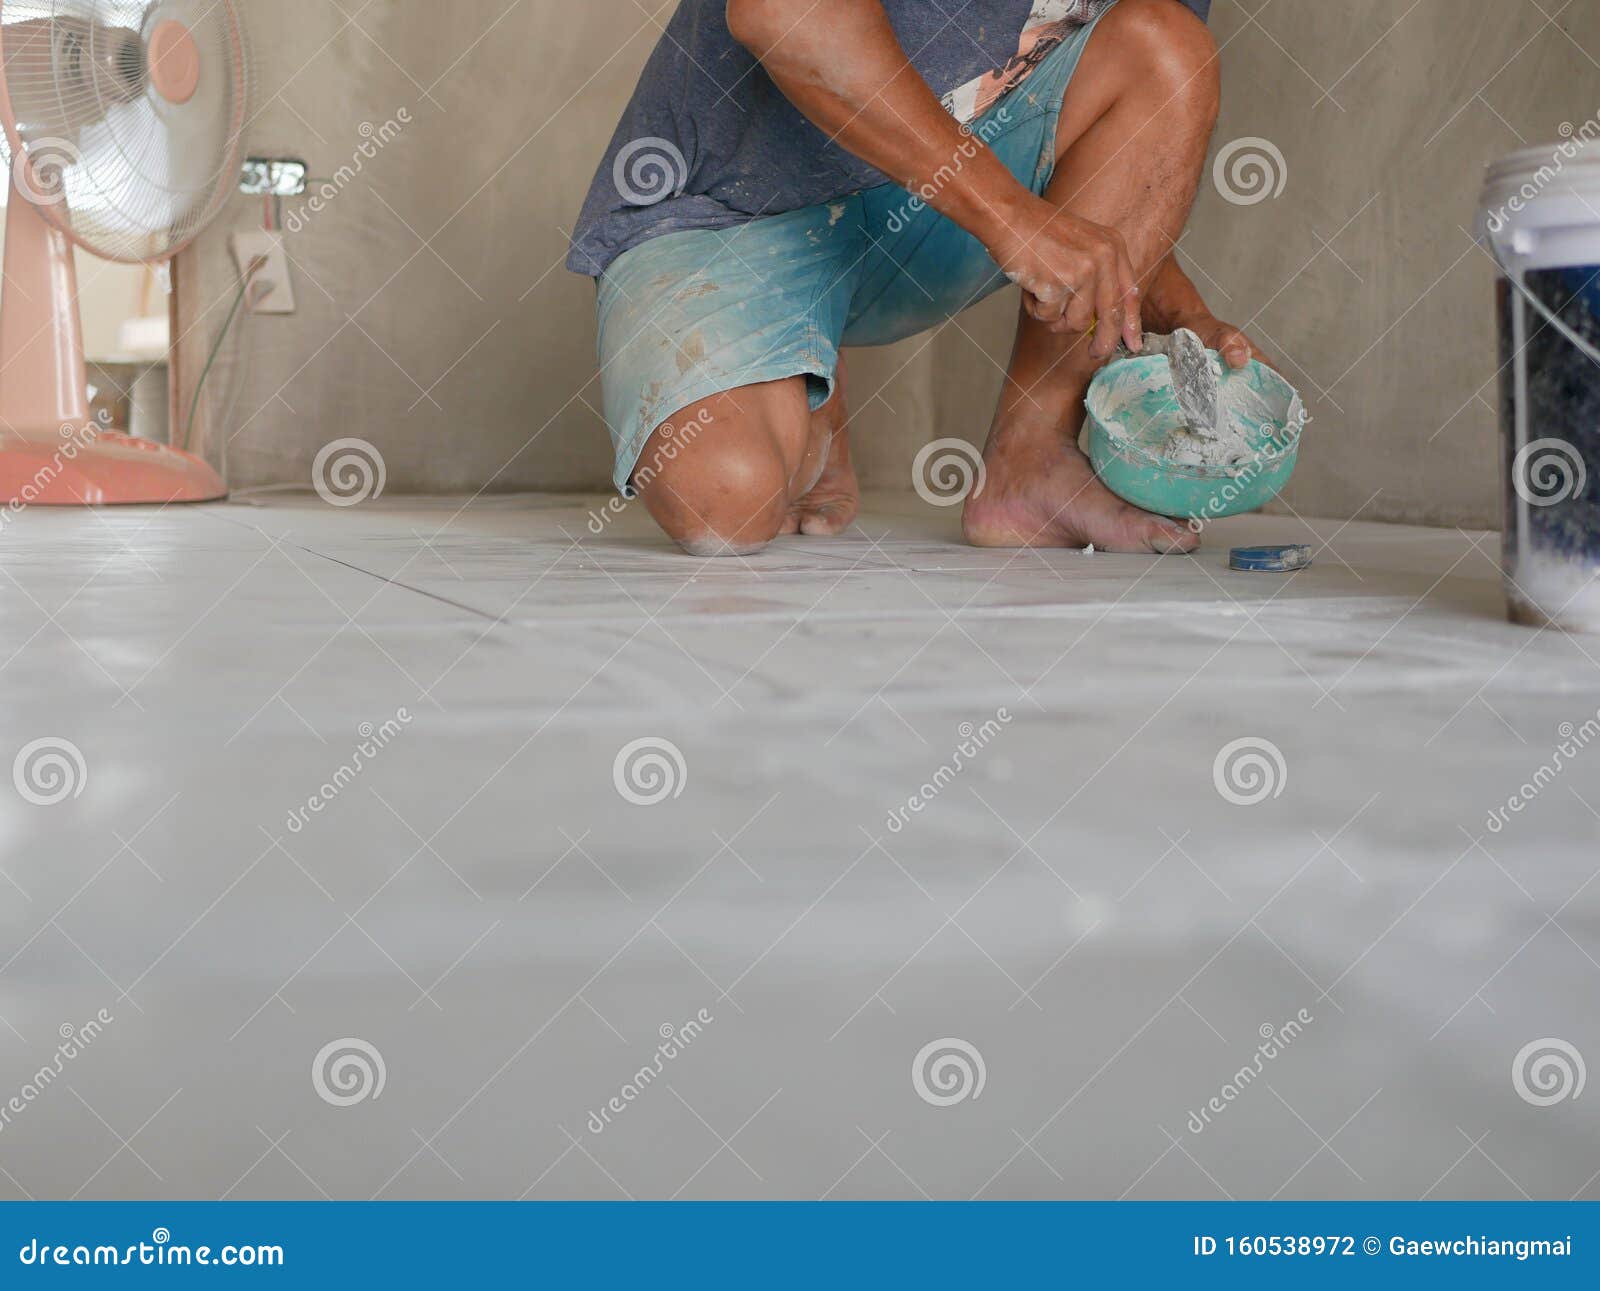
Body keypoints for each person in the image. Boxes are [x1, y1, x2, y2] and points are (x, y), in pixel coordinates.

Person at [568, 0, 1266, 556]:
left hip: (933, 208)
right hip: (730, 209)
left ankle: (1030, 457)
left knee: (1165, 42)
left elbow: (1119, 161)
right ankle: (807, 370)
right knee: (725, 502)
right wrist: (1012, 219)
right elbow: (783, 12)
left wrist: (1177, 310)